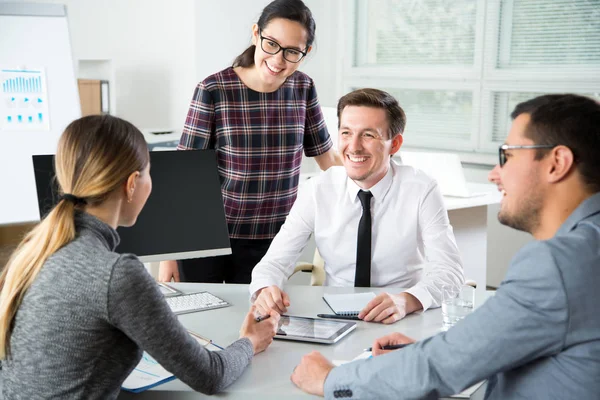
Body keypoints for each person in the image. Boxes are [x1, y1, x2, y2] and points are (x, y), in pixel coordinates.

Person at [290, 94, 600, 399]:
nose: (495, 174)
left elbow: (438, 368)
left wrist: (331, 379)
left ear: (557, 162)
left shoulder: (559, 263)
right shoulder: (589, 244)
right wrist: (437, 353)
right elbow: (500, 348)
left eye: (508, 155)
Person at [0, 115, 280, 399]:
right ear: (132, 183)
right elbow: (210, 375)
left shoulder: (33, 252)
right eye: (149, 172)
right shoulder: (117, 274)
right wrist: (249, 341)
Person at [159, 0, 340, 284]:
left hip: (274, 239)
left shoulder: (304, 88)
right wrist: (169, 253)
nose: (278, 60)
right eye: (271, 44)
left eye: (292, 51)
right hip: (206, 233)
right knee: (203, 322)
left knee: (258, 323)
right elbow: (184, 175)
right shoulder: (214, 90)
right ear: (256, 34)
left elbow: (328, 159)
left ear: (306, 53)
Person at [250, 88, 464, 323]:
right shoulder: (318, 189)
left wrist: (407, 300)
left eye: (368, 135)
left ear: (394, 144)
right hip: (332, 317)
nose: (353, 147)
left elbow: (449, 272)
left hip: (401, 317)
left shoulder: (421, 189)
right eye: (346, 133)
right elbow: (273, 263)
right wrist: (265, 289)